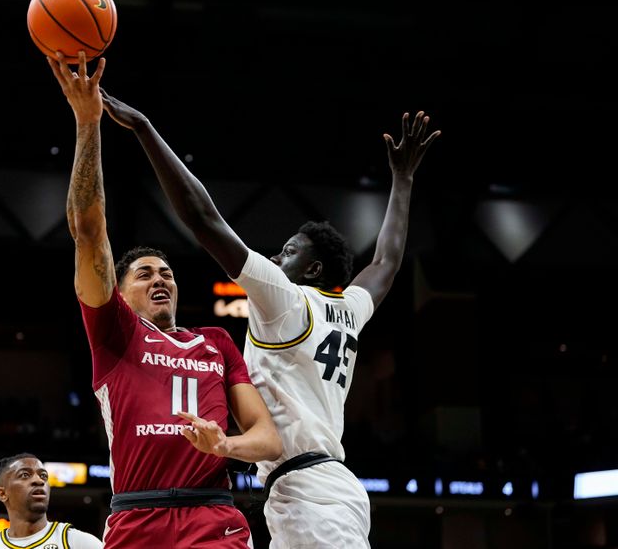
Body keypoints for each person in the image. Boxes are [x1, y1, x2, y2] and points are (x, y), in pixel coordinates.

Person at [98, 86, 440, 548]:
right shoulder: (348, 308)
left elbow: (203, 218)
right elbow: (385, 263)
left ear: (313, 270)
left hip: (308, 493)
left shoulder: (285, 299)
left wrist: (143, 128)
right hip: (320, 487)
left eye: (289, 252)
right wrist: (403, 180)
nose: (277, 258)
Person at [46, 51, 282, 549]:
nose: (161, 280)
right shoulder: (115, 334)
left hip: (211, 513)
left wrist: (227, 444)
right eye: (145, 273)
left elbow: (269, 438)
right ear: (120, 290)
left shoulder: (216, 341)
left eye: (168, 273)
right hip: (137, 516)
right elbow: (88, 231)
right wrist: (88, 123)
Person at [0, 453, 103, 549]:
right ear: (2, 494)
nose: (39, 481)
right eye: (25, 475)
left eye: (43, 476)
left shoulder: (79, 543)